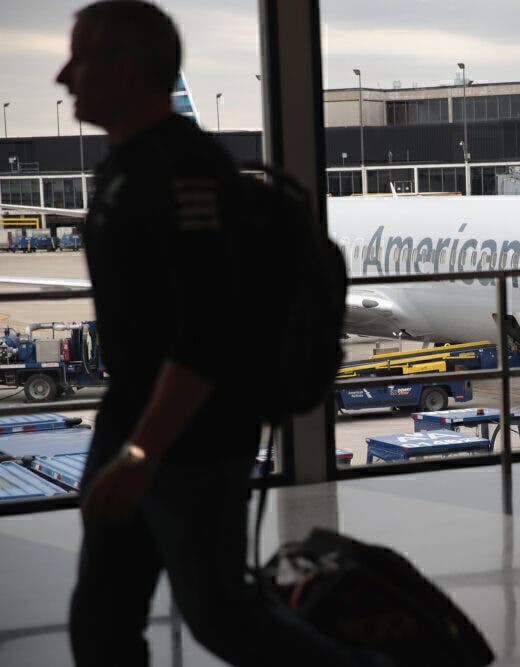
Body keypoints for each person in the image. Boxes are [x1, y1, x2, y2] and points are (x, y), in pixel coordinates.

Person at [58, 3, 386, 665]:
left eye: (82, 59)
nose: (66, 76)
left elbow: (205, 335)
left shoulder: (185, 175)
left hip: (188, 441)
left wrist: (139, 455)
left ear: (126, 69)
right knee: (103, 622)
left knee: (220, 617)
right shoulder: (124, 168)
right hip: (134, 424)